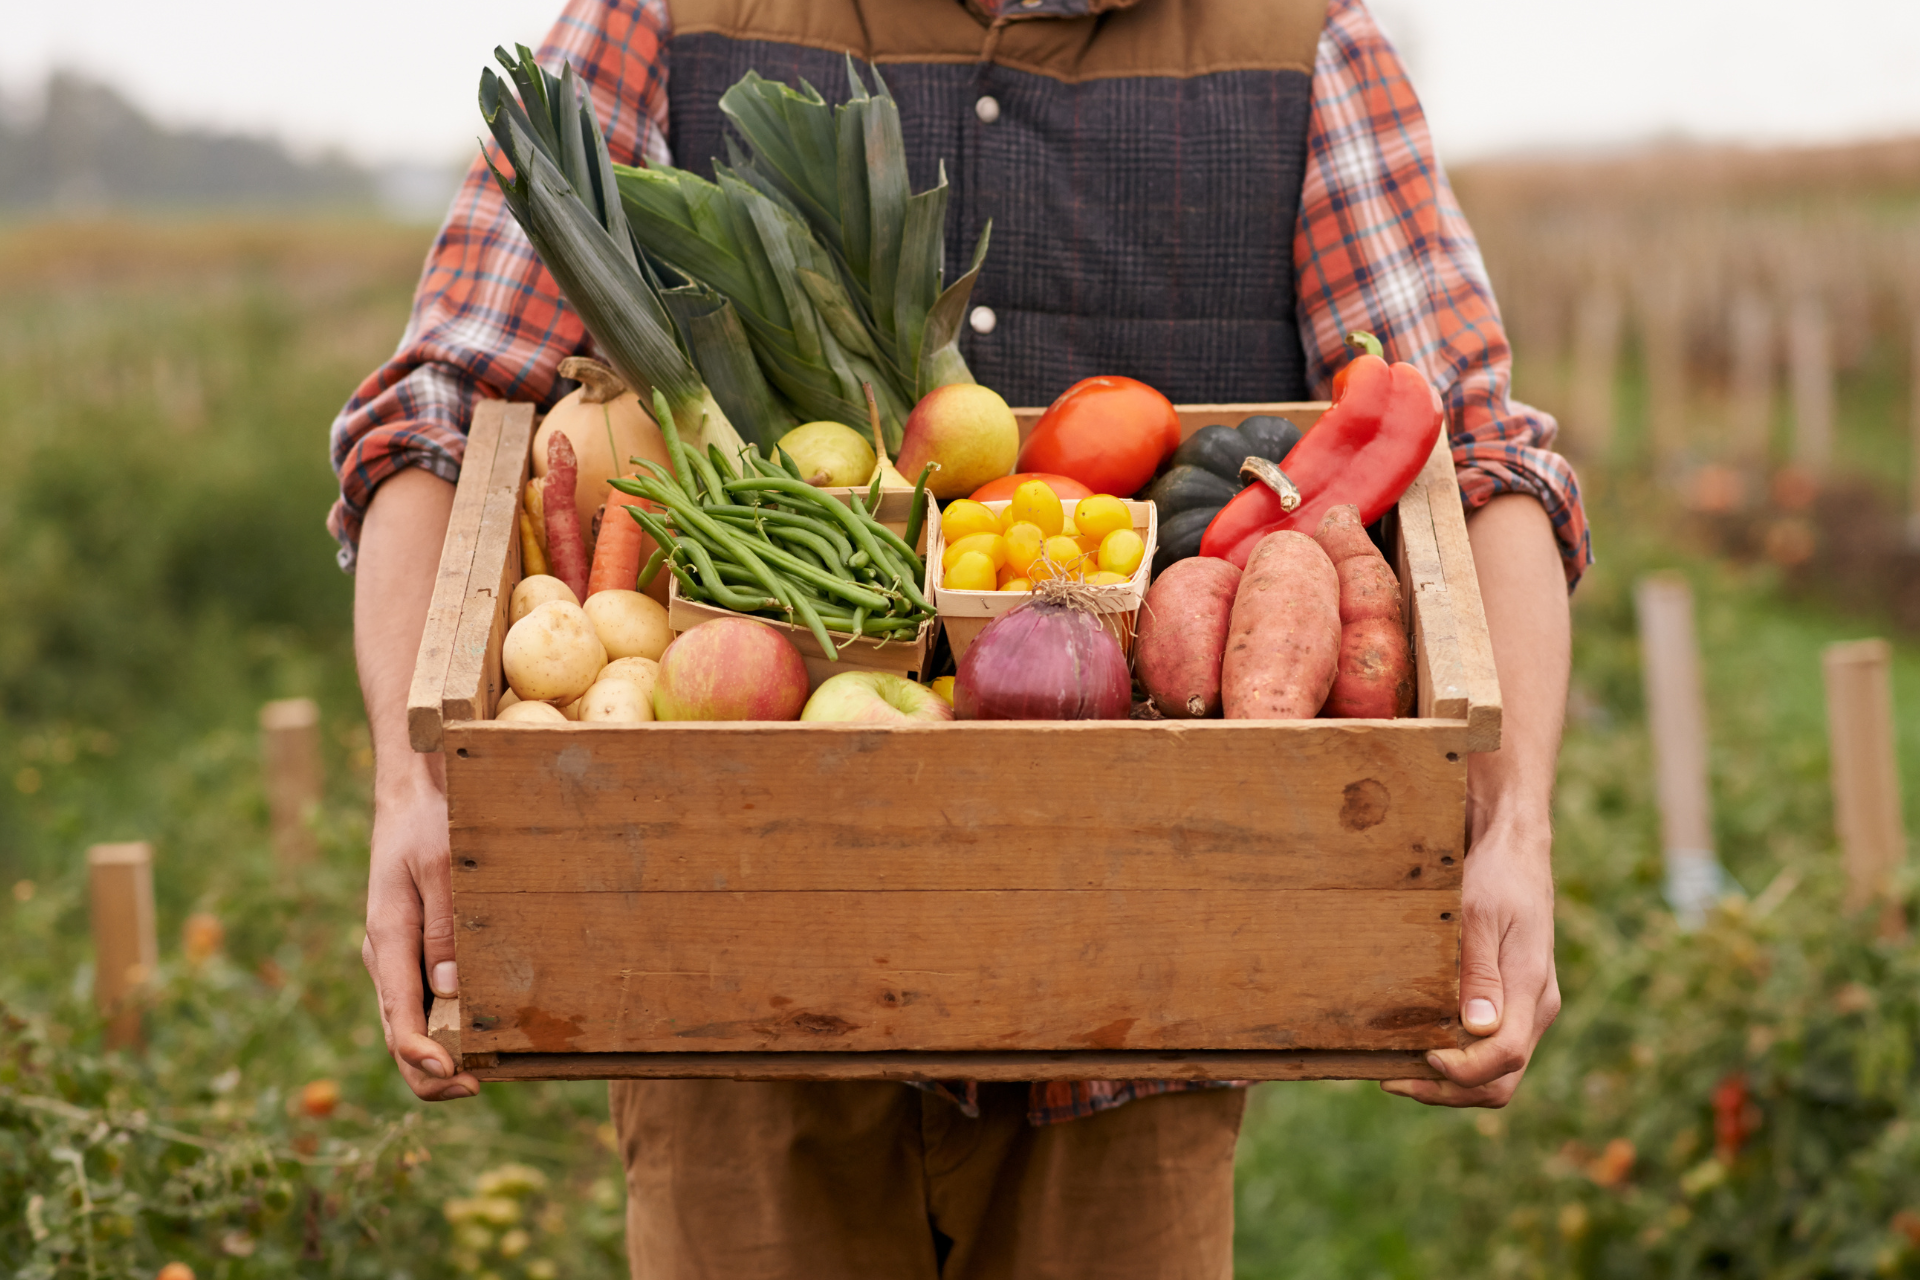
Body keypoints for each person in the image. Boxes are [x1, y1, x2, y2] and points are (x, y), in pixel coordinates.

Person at [334, 0, 1587, 1273]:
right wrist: (412, 779)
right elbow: (443, 412)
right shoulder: (667, 16)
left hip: (1139, 1012)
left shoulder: (1296, 37)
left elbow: (1476, 456)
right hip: (739, 1000)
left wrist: (1512, 825)